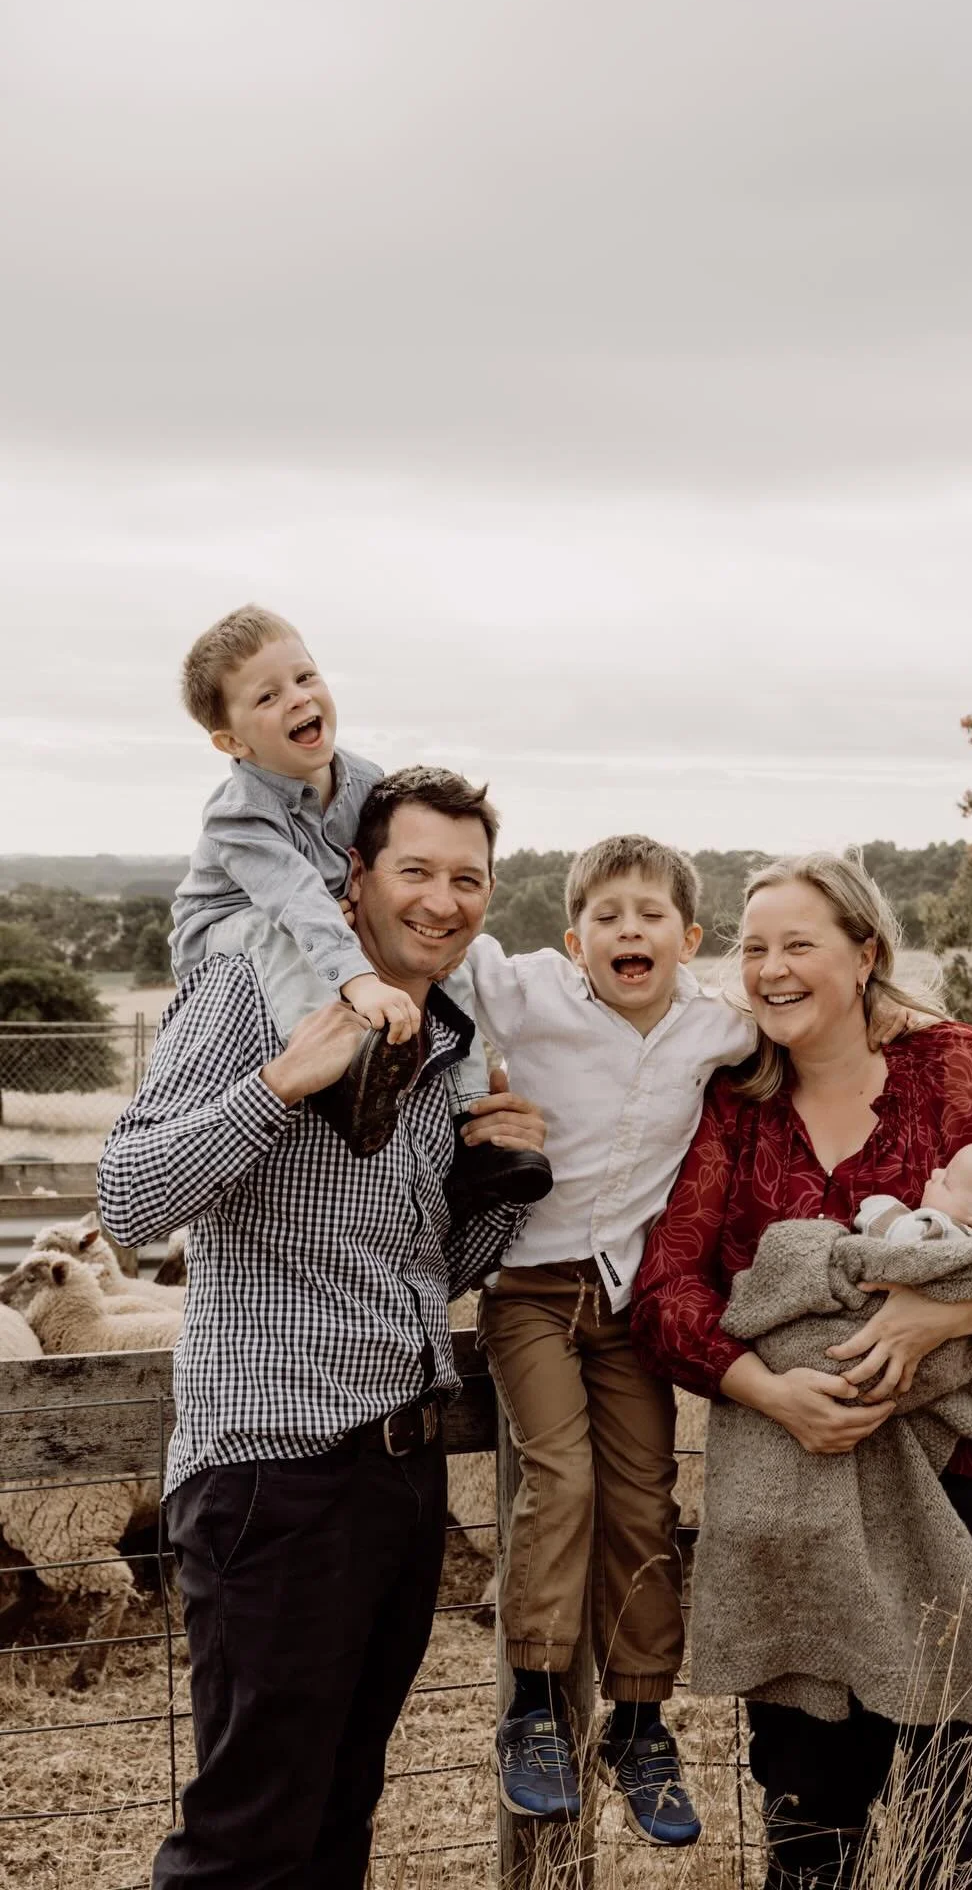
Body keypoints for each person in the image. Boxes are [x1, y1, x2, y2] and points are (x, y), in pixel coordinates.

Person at [97, 767, 548, 1890]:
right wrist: (282, 1081)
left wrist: (496, 1187)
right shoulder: (259, 987)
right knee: (248, 1838)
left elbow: (424, 1272)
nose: (444, 901)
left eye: (469, 879)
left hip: (400, 1475)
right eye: (416, 872)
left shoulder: (445, 1044)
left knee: (340, 1816)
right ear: (352, 878)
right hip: (274, 1475)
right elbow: (126, 1200)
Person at [631, 852, 972, 1890]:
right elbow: (668, 1290)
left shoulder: (963, 1071)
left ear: (866, 954)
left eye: (800, 943)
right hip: (800, 1489)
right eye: (755, 948)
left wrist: (942, 1315)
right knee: (810, 1793)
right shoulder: (735, 1105)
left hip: (967, 1478)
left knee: (946, 1772)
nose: (772, 969)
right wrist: (768, 1390)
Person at [466, 835, 754, 1843]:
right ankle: (535, 1707)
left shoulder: (717, 1029)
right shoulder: (532, 994)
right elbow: (452, 955)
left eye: (650, 914)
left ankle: (639, 1720)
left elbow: (817, 1015)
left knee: (645, 1496)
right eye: (607, 916)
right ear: (572, 936)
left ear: (689, 938)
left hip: (629, 1302)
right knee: (564, 1480)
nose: (629, 929)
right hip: (532, 1292)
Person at [168, 604, 549, 1198]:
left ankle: (471, 1110)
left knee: (463, 965)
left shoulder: (367, 781)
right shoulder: (237, 813)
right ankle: (342, 1071)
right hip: (229, 928)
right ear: (231, 740)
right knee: (278, 932)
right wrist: (361, 982)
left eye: (304, 677)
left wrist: (442, 938)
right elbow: (294, 900)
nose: (297, 699)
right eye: (267, 697)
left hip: (322, 933)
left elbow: (400, 861)